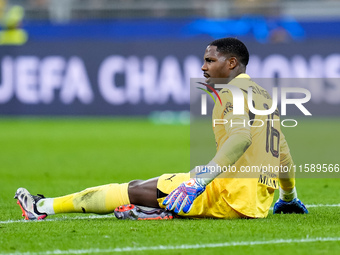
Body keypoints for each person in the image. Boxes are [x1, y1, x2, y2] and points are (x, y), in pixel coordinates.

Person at [15, 38, 308, 221]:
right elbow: (283, 153)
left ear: (232, 63)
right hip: (257, 200)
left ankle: (42, 208)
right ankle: (155, 211)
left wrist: (199, 182)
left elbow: (241, 138)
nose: (203, 68)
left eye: (209, 60)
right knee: (153, 187)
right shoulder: (263, 95)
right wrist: (288, 198)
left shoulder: (231, 92)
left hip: (230, 196)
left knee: (130, 190)